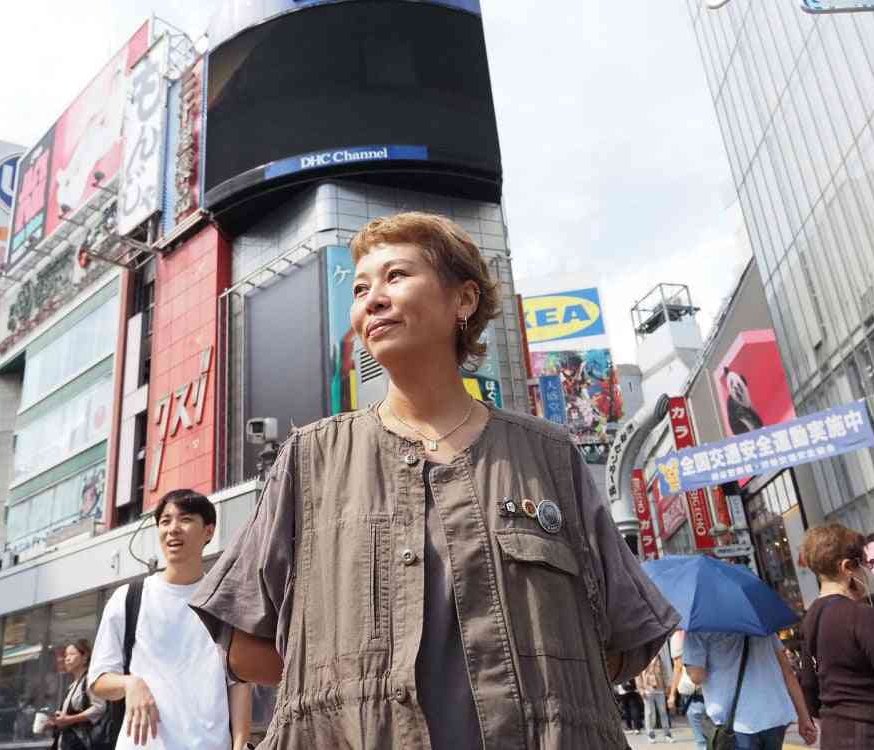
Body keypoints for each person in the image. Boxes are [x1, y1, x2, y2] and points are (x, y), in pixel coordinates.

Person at [190, 211, 680, 748]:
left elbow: (623, 640)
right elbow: (245, 644)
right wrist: (351, 692)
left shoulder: (549, 455)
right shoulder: (310, 458)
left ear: (463, 301)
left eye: (396, 276)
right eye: (360, 288)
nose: (372, 299)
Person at [89, 490, 254, 750]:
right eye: (165, 521)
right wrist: (130, 683)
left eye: (185, 519)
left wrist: (241, 742)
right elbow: (98, 680)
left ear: (208, 531)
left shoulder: (224, 603)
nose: (173, 529)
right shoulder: (129, 598)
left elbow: (239, 681)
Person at [798, 524, 874, 749]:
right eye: (864, 564)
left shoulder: (810, 618)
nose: (867, 571)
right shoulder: (861, 615)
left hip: (833, 737)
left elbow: (808, 685)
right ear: (847, 567)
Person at [684, 629, 817, 750]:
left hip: (736, 723)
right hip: (773, 715)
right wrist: (804, 716)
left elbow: (697, 677)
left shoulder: (697, 629)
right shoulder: (759, 622)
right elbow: (787, 671)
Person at [46, 639, 106, 749]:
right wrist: (55, 722)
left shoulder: (90, 680)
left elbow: (99, 708)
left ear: (85, 657)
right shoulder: (72, 686)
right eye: (65, 655)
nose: (67, 659)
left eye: (72, 654)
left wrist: (70, 719)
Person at [667, 629, 705, 750]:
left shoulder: (678, 636)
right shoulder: (706, 631)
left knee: (701, 741)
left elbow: (678, 667)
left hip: (693, 694)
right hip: (711, 691)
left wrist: (672, 695)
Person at [637, 654, 674, 743]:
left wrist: (667, 687)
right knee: (649, 712)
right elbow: (638, 675)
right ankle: (650, 733)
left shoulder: (659, 658)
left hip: (660, 688)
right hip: (647, 689)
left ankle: (667, 733)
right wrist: (641, 689)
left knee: (663, 712)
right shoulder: (642, 659)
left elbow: (664, 673)